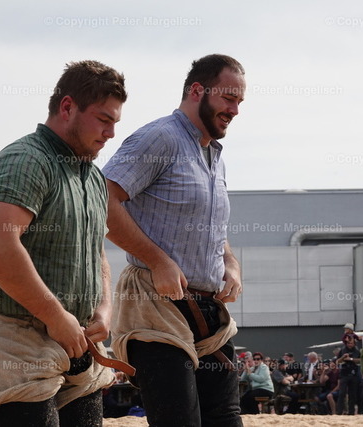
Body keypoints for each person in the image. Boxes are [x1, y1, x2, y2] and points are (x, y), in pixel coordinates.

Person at [0, 60, 127, 427]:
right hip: (14, 338)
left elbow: (95, 252)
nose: (111, 133)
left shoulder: (93, 177)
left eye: (115, 122)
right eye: (103, 120)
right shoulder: (25, 160)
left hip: (78, 336)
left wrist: (104, 309)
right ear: (67, 107)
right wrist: (55, 316)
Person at [103, 54, 245, 427]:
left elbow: (211, 226)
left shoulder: (215, 156)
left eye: (239, 102)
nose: (234, 110)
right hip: (153, 305)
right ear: (197, 90)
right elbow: (102, 200)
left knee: (226, 420)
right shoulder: (160, 137)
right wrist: (157, 260)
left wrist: (230, 262)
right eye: (228, 98)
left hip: (209, 311)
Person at [336, 337, 360, 415]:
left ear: (354, 343)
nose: (349, 345)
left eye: (351, 343)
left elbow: (360, 360)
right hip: (344, 373)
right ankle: (339, 411)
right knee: (342, 393)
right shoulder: (343, 350)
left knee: (352, 394)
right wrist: (343, 357)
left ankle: (351, 412)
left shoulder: (356, 351)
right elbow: (337, 361)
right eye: (348, 343)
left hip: (353, 373)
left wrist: (351, 359)